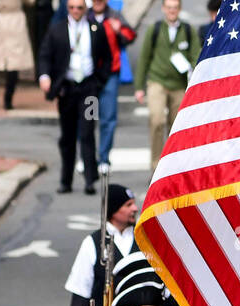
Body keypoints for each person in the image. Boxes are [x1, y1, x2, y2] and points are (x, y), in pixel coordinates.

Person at [39, 0, 113, 194]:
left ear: (85, 9)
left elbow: (107, 57)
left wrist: (99, 82)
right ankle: (66, 180)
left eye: (79, 7)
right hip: (67, 89)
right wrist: (45, 76)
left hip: (89, 88)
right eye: (71, 7)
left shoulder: (96, 29)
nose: (75, 11)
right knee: (68, 135)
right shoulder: (56, 30)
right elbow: (45, 55)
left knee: (88, 132)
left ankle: (90, 179)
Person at [65, 183, 138, 306]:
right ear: (113, 210)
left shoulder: (145, 238)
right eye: (128, 205)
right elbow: (81, 290)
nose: (135, 209)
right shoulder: (92, 243)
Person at [134, 0, 201, 166]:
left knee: (176, 128)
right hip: (157, 82)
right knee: (157, 121)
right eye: (169, 7)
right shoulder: (155, 29)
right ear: (163, 9)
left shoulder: (187, 30)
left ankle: (173, 168)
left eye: (175, 8)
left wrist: (197, 83)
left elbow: (196, 57)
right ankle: (156, 166)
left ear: (179, 9)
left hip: (178, 85)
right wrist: (138, 87)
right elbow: (144, 57)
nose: (172, 11)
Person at [91, 0, 138, 167]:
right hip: (89, 77)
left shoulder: (114, 15)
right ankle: (87, 156)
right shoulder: (85, 15)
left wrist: (119, 31)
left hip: (110, 75)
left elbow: (130, 35)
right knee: (88, 118)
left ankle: (103, 157)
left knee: (108, 118)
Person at [0, 0, 33, 111]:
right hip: (8, 20)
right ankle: (5, 101)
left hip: (6, 19)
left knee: (2, 62)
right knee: (1, 61)